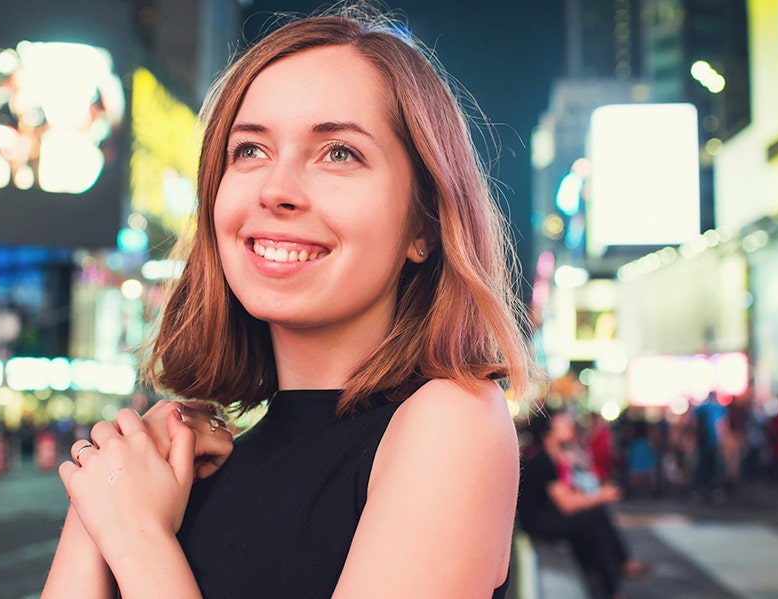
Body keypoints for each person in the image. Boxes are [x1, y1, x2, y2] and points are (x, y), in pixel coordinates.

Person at [42, 6, 534, 598]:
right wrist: (102, 489)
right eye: (249, 150)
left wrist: (137, 537)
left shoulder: (454, 420)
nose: (276, 189)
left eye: (339, 153)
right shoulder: (182, 463)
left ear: (423, 225)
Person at [518, 408, 650, 599]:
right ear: (549, 433)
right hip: (540, 523)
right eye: (563, 423)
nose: (570, 425)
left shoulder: (556, 457)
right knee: (593, 519)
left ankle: (615, 580)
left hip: (548, 517)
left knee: (591, 526)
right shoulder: (542, 460)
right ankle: (615, 580)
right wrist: (601, 496)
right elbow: (566, 504)